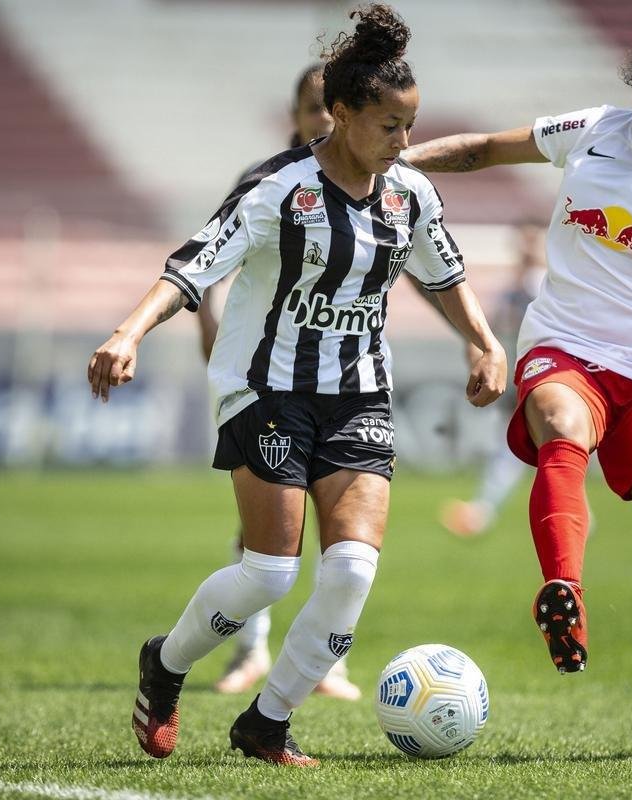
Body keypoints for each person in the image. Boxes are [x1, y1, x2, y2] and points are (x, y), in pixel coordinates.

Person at [88, 3, 506, 768]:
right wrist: (127, 332)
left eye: (410, 125)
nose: (405, 142)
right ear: (342, 114)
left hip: (359, 392)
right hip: (267, 387)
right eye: (390, 126)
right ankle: (167, 663)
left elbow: (443, 274)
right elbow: (193, 264)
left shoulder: (408, 193)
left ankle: (267, 722)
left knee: (351, 570)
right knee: (271, 572)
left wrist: (482, 342)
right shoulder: (278, 190)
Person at [405, 0, 632, 751]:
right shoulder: (591, 132)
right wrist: (396, 162)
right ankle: (563, 589)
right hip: (564, 347)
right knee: (562, 427)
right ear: (629, 89)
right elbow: (480, 152)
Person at [197, 64, 360, 701]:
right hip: (267, 375)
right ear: (296, 115)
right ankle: (250, 651)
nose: (322, 119)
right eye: (312, 108)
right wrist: (212, 337)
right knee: (267, 525)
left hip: (342, 376)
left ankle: (327, 662)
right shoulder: (267, 180)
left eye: (331, 107)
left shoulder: (375, 181)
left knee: (339, 521)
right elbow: (209, 264)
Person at [439, 223, 545, 537]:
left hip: (541, 376)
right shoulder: (514, 288)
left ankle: (481, 512)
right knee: (541, 450)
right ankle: (580, 519)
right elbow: (498, 326)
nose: (524, 250)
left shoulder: (541, 286)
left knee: (517, 450)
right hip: (519, 376)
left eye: (529, 242)